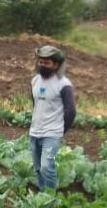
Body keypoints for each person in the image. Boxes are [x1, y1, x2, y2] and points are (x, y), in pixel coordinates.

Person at [29, 44, 76, 191]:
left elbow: (71, 111)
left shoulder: (64, 84)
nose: (42, 65)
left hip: (52, 133)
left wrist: (60, 131)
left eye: (46, 63)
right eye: (40, 62)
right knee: (37, 168)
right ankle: (43, 196)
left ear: (55, 65)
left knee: (46, 167)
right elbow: (35, 103)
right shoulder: (35, 81)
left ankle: (51, 198)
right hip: (35, 131)